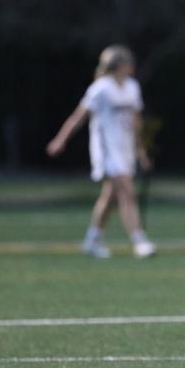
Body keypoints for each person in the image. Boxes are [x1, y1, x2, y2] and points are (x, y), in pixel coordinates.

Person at [46, 45, 156, 259]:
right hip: (106, 149)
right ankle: (139, 240)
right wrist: (60, 140)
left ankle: (92, 239)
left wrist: (141, 150)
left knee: (110, 196)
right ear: (119, 65)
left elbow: (136, 122)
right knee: (126, 190)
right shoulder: (101, 89)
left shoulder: (132, 87)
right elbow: (78, 117)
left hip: (124, 149)